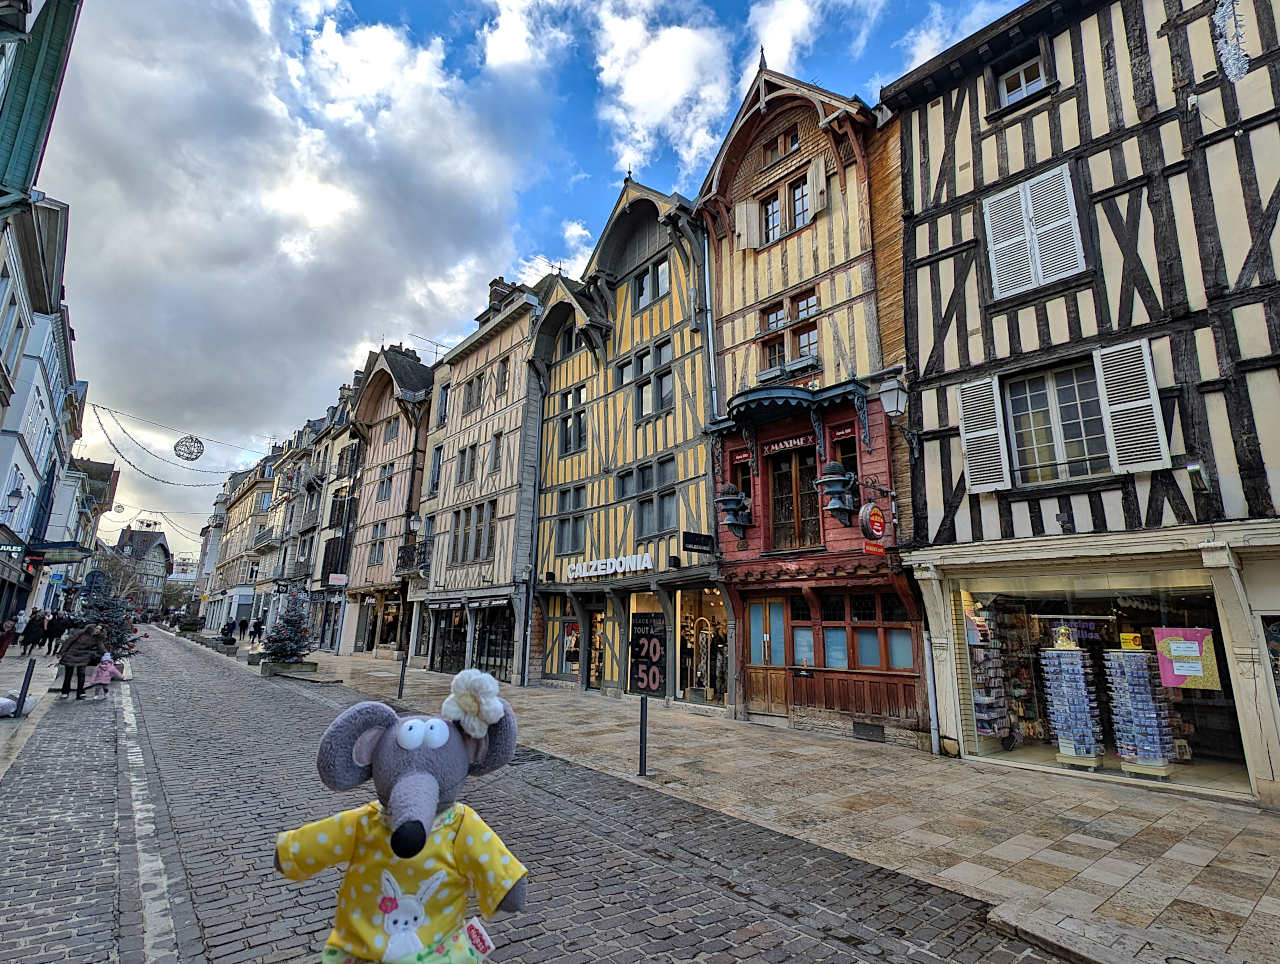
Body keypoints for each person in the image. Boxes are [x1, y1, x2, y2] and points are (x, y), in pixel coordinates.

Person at [56, 623, 106, 701]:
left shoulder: (97, 638)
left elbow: (101, 647)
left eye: (100, 630)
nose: (97, 631)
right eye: (97, 628)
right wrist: (61, 652)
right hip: (72, 654)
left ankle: (80, 692)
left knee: (81, 674)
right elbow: (69, 641)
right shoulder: (81, 633)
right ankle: (65, 692)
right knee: (68, 674)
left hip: (83, 656)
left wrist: (107, 655)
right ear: (93, 627)